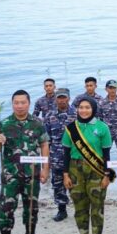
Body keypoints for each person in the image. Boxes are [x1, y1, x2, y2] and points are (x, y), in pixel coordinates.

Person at [0, 90, 49, 234]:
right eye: (16, 103)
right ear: (12, 104)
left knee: (31, 205)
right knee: (6, 206)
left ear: (29, 103)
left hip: (32, 173)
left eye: (23, 102)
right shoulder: (4, 124)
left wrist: (45, 168)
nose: (20, 106)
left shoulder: (37, 123)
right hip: (10, 174)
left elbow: (44, 145)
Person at [62, 96, 113, 234]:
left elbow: (106, 155)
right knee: (79, 202)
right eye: (81, 107)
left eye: (87, 107)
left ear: (93, 109)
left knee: (97, 203)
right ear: (77, 109)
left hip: (96, 170)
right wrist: (65, 175)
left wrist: (107, 175)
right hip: (74, 169)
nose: (84, 110)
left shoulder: (102, 127)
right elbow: (65, 153)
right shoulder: (71, 128)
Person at [43, 88, 77, 222]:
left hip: (74, 155)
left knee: (76, 183)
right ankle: (61, 210)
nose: (62, 100)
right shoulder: (49, 115)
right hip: (56, 155)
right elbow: (45, 140)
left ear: (68, 98)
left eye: (64, 97)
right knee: (57, 185)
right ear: (55, 99)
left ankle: (80, 210)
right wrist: (46, 161)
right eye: (59, 98)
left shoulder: (76, 114)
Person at [97, 80, 117, 155]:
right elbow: (100, 116)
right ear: (106, 89)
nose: (112, 90)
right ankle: (105, 166)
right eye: (110, 88)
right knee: (104, 153)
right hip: (107, 131)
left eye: (114, 88)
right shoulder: (101, 102)